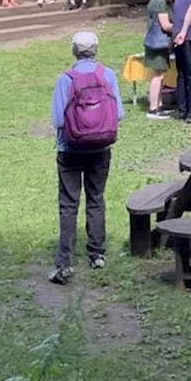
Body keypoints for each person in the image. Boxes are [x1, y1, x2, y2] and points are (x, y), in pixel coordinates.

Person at [48, 30, 125, 285]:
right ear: (96, 49)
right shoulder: (108, 75)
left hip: (69, 150)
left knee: (69, 204)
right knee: (96, 199)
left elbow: (59, 120)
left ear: (74, 51)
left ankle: (65, 260)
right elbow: (120, 115)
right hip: (100, 149)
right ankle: (97, 254)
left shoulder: (65, 79)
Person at [144, 0, 179, 120]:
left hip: (153, 42)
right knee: (158, 76)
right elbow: (166, 26)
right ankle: (153, 108)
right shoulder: (161, 4)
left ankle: (158, 105)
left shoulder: (154, 1)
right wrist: (181, 28)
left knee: (160, 74)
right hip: (158, 43)